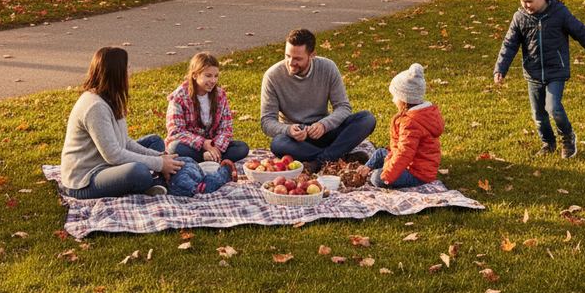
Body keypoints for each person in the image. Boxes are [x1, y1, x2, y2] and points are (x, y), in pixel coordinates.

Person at [493, 0, 585, 158]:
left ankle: (567, 137)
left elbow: (582, 33)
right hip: (533, 72)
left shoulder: (559, 14)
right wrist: (501, 69)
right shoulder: (520, 18)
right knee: (539, 115)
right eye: (522, 1)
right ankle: (548, 142)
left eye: (529, 1)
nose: (526, 5)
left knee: (553, 107)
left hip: (556, 70)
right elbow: (509, 44)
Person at [59, 46, 183, 199]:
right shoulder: (95, 107)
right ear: (116, 73)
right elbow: (114, 155)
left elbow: (124, 142)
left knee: (155, 142)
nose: (129, 73)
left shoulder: (112, 98)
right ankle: (155, 182)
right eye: (127, 68)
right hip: (84, 180)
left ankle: (156, 182)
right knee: (138, 172)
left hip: (107, 165)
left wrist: (160, 157)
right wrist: (158, 163)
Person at [260, 28, 376, 170]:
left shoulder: (328, 68)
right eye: (287, 56)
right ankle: (338, 158)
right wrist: (288, 130)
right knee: (278, 143)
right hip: (296, 140)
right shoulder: (272, 76)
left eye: (297, 59)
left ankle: (319, 162)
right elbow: (267, 122)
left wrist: (324, 125)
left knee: (366, 119)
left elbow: (343, 107)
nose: (290, 62)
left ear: (312, 55)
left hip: (324, 131)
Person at [365, 63, 444, 189]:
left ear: (404, 99)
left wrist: (387, 176)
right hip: (411, 162)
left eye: (394, 97)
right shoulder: (416, 115)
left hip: (418, 173)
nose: (393, 100)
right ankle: (364, 168)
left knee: (376, 178)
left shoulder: (411, 123)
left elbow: (404, 154)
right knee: (380, 153)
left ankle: (380, 173)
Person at [166, 52, 250, 164]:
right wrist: (204, 143)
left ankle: (209, 158)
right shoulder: (179, 97)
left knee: (242, 148)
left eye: (216, 76)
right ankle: (207, 158)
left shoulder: (220, 95)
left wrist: (215, 147)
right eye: (208, 76)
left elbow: (226, 128)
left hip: (214, 144)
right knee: (174, 147)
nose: (213, 81)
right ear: (195, 75)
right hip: (191, 145)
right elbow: (176, 132)